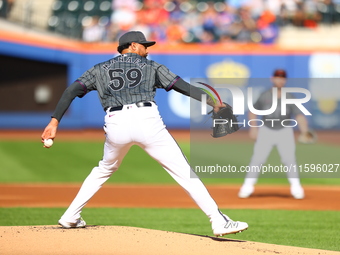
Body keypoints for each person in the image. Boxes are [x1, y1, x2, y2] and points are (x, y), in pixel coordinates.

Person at [41, 31, 248, 236]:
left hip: (115, 123)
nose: (147, 49)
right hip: (147, 120)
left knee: (104, 169)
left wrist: (54, 121)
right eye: (144, 45)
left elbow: (71, 91)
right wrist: (214, 103)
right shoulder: (151, 66)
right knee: (184, 172)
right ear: (132, 46)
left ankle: (70, 215)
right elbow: (183, 87)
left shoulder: (99, 69)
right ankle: (217, 220)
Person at [238, 69, 309, 199]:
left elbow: (299, 115)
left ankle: (296, 188)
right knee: (258, 159)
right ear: (272, 78)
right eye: (277, 77)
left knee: (289, 160)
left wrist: (304, 130)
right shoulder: (265, 95)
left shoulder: (290, 97)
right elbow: (253, 111)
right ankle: (247, 187)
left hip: (285, 130)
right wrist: (254, 128)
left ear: (285, 80)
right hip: (266, 130)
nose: (280, 79)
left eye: (282, 77)